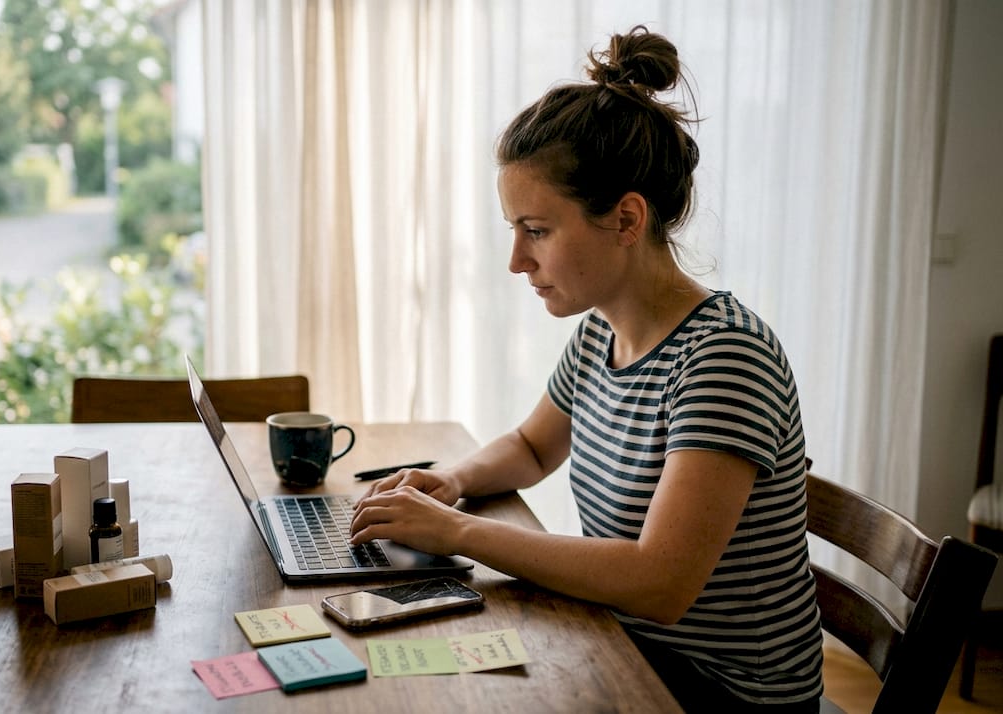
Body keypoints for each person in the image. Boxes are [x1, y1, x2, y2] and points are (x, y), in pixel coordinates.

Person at [350, 25, 823, 712]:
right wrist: (452, 480)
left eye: (537, 231)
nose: (517, 261)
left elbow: (660, 584)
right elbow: (532, 446)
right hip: (629, 644)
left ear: (626, 220)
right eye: (514, 230)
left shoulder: (725, 357)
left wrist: (458, 533)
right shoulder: (601, 331)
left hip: (722, 692)